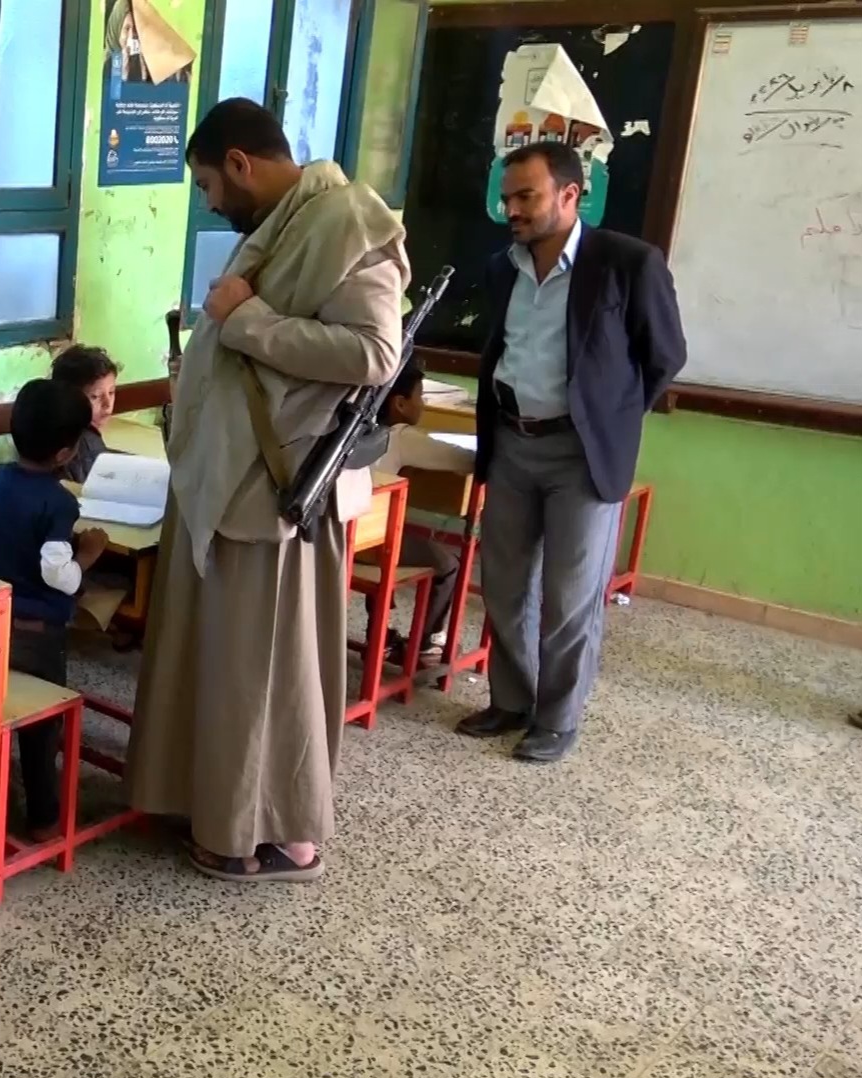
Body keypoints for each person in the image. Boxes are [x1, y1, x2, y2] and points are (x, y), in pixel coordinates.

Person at [127, 99, 407, 882]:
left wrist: (246, 321)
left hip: (276, 490)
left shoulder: (347, 221)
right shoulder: (281, 223)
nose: (210, 203)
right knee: (220, 665)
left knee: (263, 672)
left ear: (240, 164)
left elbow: (374, 355)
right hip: (224, 479)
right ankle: (205, 804)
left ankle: (269, 833)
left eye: (208, 185)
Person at [458, 140, 686, 763]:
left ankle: (557, 719)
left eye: (526, 197)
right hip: (512, 442)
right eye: (506, 198)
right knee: (504, 584)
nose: (512, 210)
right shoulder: (503, 267)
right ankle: (512, 700)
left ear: (569, 194)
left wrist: (607, 419)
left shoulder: (627, 263)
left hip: (581, 454)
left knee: (570, 595)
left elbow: (664, 356)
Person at [0, 379, 110, 840]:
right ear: (65, 454)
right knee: (41, 727)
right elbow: (57, 573)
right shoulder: (59, 502)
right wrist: (86, 555)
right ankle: (43, 818)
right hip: (39, 634)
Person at [370, 362, 474, 665]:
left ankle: (379, 633)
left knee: (385, 533)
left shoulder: (358, 429)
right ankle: (426, 644)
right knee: (448, 564)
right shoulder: (401, 436)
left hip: (349, 537)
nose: (424, 404)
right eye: (420, 396)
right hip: (374, 548)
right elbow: (466, 460)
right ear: (400, 404)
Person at [50, 344, 122, 483]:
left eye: (111, 392)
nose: (107, 404)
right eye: (95, 396)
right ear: (69, 399)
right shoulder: (83, 444)